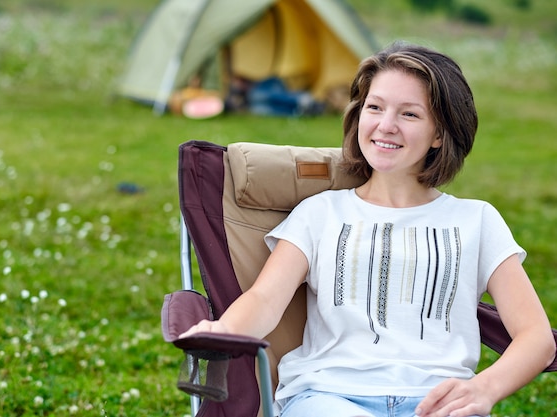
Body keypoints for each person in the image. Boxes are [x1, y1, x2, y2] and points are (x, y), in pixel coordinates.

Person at [180, 42, 555, 417]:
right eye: (374, 108)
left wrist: (482, 390)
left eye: (409, 114)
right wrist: (222, 329)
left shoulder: (477, 221)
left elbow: (537, 338)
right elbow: (265, 300)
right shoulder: (321, 213)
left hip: (438, 403)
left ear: (439, 134)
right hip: (328, 397)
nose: (385, 126)